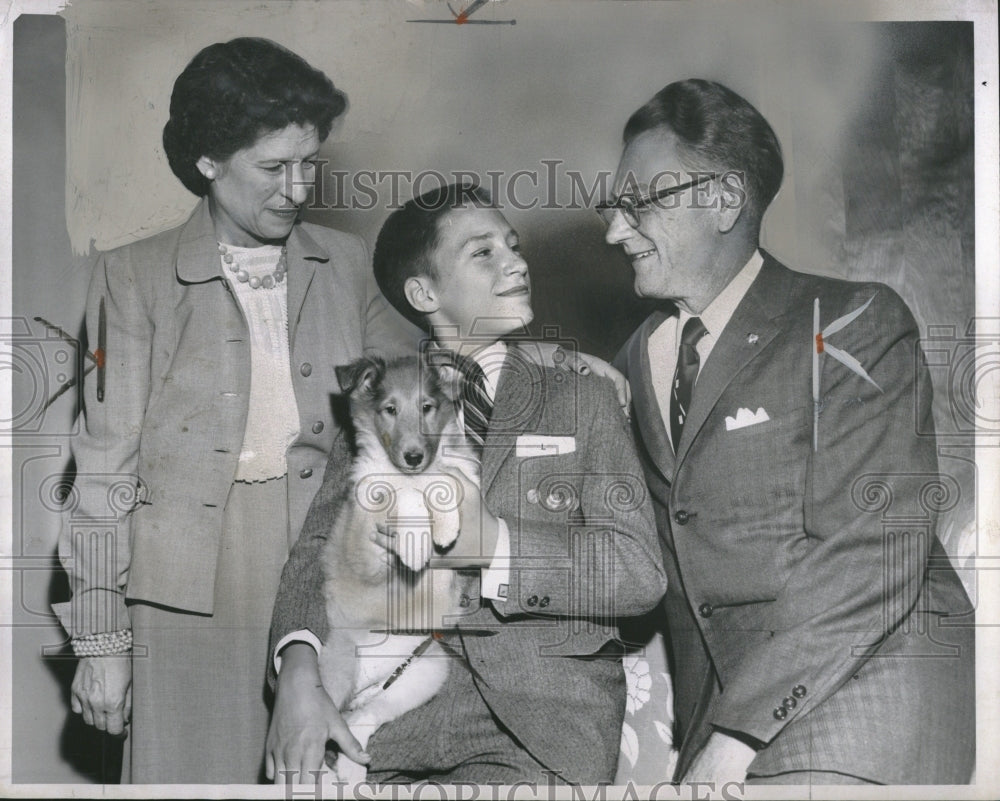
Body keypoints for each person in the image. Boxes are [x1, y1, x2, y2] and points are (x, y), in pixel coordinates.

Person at [52, 37, 419, 783]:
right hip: (187, 599)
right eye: (274, 167)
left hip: (331, 572)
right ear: (209, 162)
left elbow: (429, 382)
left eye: (309, 162)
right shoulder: (134, 277)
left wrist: (555, 369)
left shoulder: (347, 265)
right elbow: (101, 472)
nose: (297, 188)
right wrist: (101, 642)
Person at [604, 79, 976, 785]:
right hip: (721, 736)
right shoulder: (631, 360)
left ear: (722, 200)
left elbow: (876, 544)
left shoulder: (849, 321)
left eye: (636, 201)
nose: (613, 230)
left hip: (859, 711)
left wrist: (736, 735)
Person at [265, 183, 667, 785]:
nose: (517, 262)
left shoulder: (582, 396)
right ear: (424, 293)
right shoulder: (383, 407)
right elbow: (312, 559)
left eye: (514, 245)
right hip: (381, 714)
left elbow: (638, 572)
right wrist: (297, 671)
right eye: (483, 253)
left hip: (542, 726)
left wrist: (498, 548)